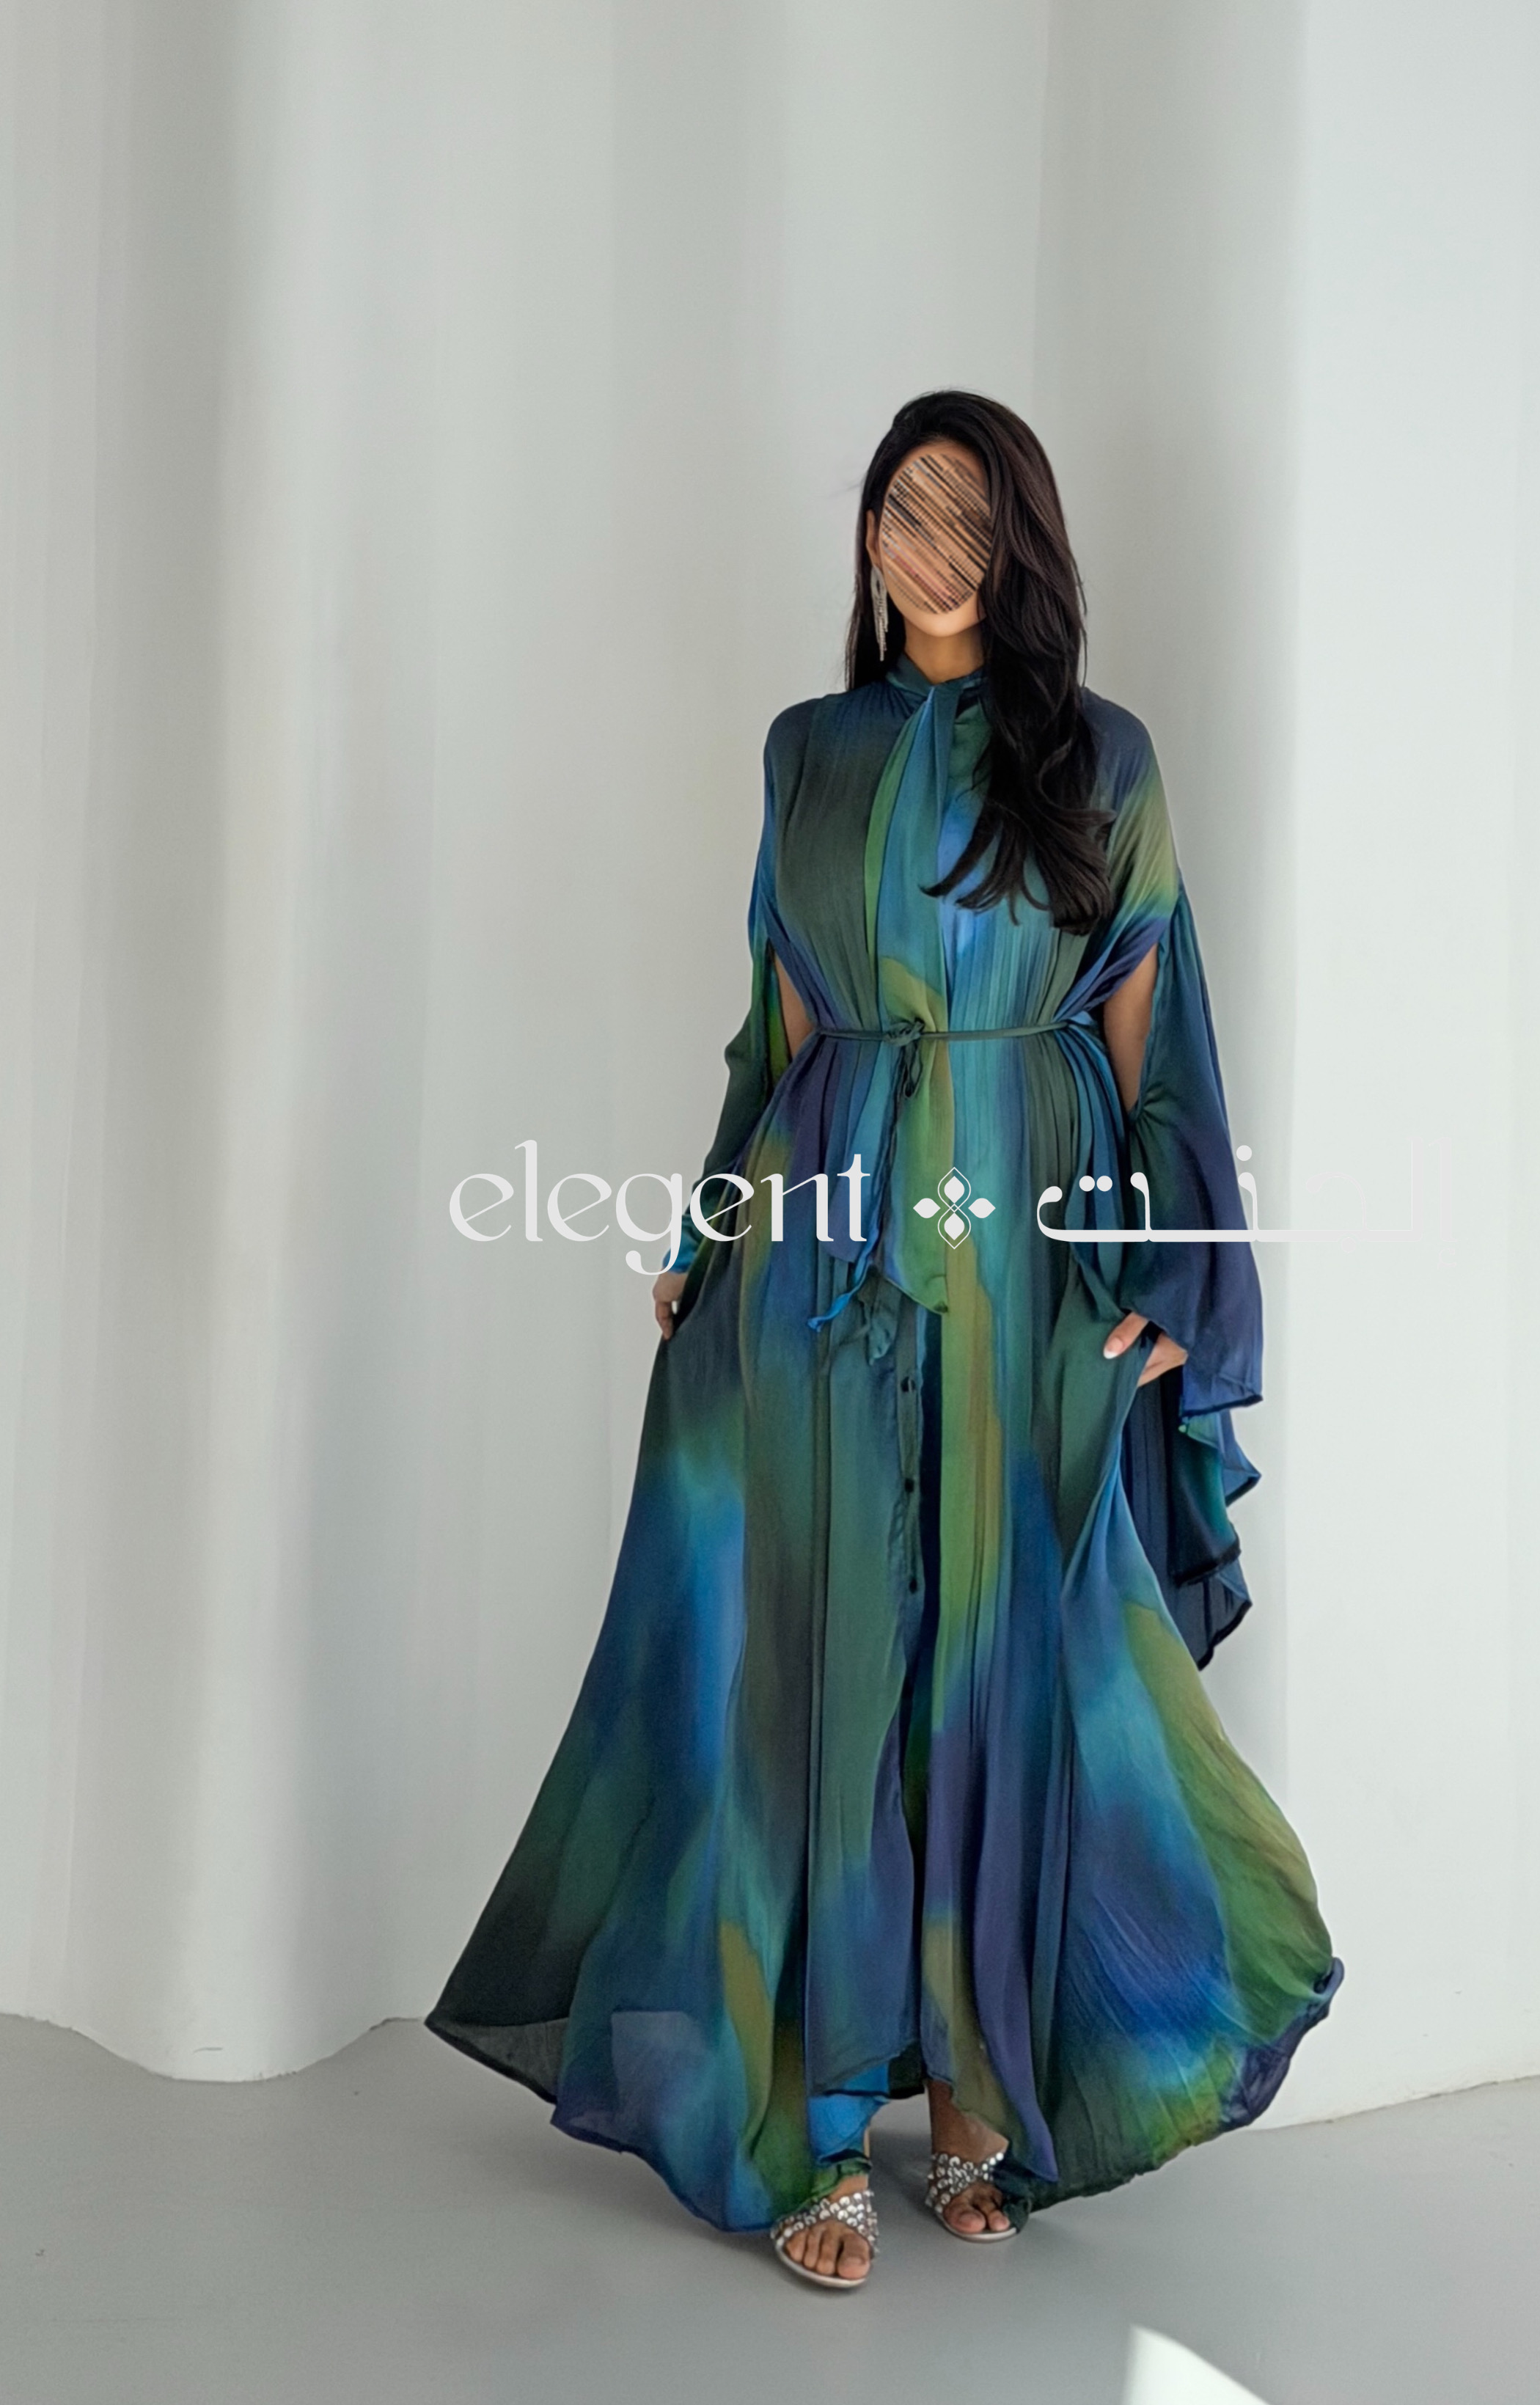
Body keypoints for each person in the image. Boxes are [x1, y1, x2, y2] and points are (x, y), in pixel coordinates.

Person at [428, 391, 1340, 2290]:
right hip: (820, 1251)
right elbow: (775, 1025)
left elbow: (1161, 1040)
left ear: (1023, 547)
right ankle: (823, 2129)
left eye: (967, 515)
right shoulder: (809, 752)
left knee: (1010, 1671)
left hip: (1035, 1262)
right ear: (865, 532)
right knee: (824, 1674)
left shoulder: (1104, 757)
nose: (928, 544)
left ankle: (984, 2101)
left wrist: (1186, 1283)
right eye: (901, 507)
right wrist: (704, 1229)